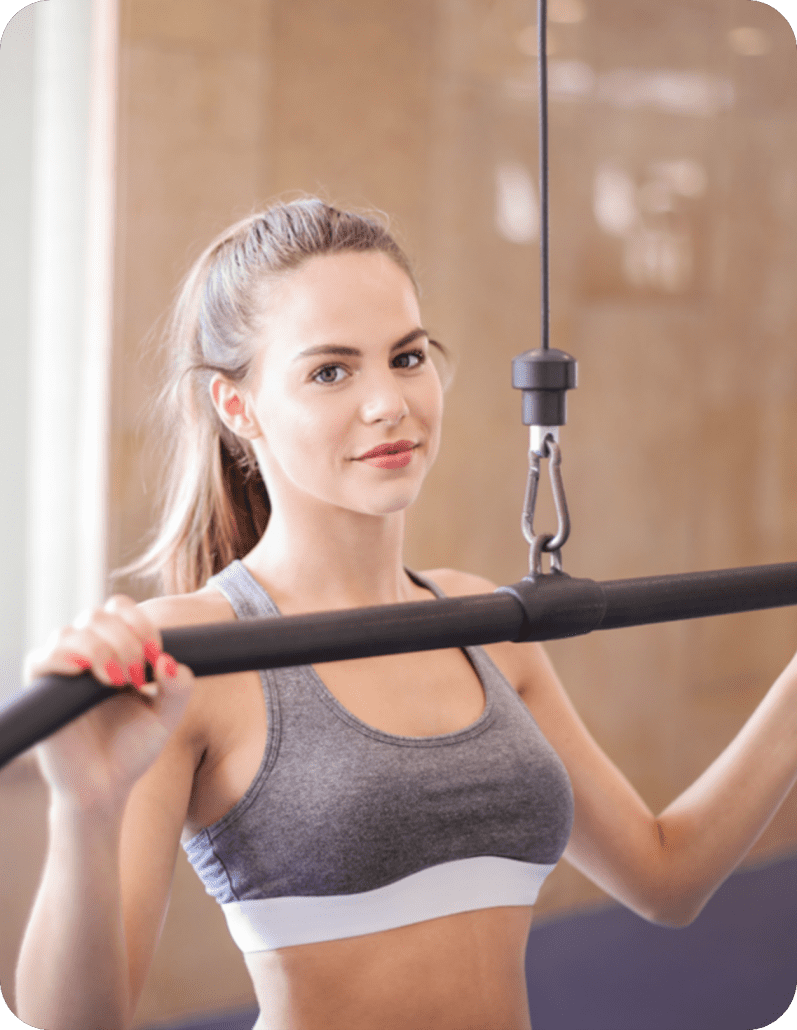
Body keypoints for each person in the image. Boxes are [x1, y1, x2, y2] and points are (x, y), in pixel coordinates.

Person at [14, 198, 797, 1030]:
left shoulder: (485, 623)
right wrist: (85, 810)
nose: (389, 403)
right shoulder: (194, 653)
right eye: (329, 371)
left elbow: (665, 878)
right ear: (236, 407)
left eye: (406, 356)